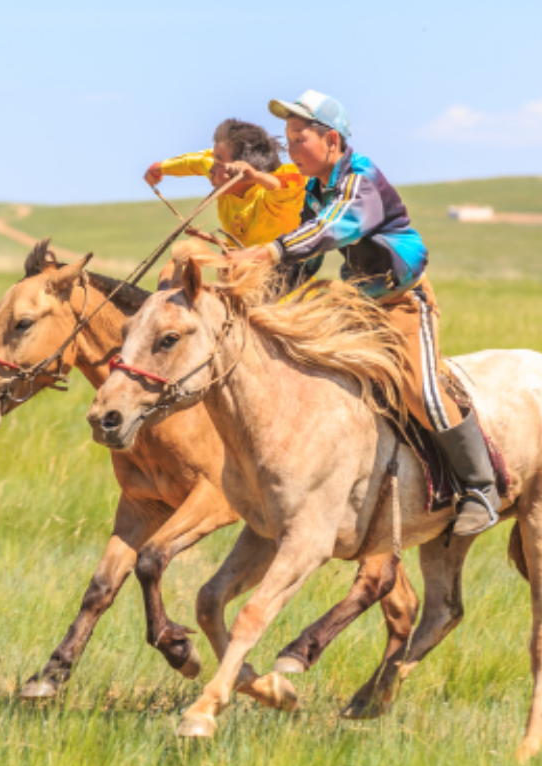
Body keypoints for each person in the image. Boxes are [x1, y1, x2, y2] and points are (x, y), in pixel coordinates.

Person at [229, 90, 500, 536]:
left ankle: (479, 488)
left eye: (299, 139)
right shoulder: (316, 188)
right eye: (288, 139)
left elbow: (332, 230)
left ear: (331, 140)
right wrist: (251, 299)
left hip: (402, 301)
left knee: (420, 390)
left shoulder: (361, 179)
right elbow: (305, 258)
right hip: (357, 302)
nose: (290, 149)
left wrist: (268, 251)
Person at [144, 119, 306, 248]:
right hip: (238, 272)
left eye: (219, 163)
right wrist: (158, 169)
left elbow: (279, 186)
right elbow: (197, 162)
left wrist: (256, 176)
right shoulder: (223, 177)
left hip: (285, 278)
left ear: (245, 169)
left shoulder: (271, 197)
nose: (211, 169)